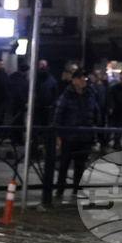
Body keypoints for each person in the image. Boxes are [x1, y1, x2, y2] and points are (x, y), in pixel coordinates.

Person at [52, 70, 99, 201]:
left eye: (84, 78)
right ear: (74, 80)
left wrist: (96, 125)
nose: (83, 81)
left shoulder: (89, 95)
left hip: (85, 136)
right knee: (65, 163)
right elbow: (58, 114)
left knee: (80, 163)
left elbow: (96, 111)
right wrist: (58, 133)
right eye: (80, 78)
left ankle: (77, 189)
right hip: (69, 135)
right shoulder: (67, 96)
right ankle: (60, 189)